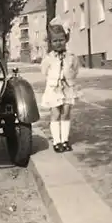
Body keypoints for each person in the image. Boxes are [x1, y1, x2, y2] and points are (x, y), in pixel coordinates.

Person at [40, 19, 80, 153]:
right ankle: (57, 141)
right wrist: (55, 80)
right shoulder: (49, 58)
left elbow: (75, 70)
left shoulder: (72, 57)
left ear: (66, 40)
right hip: (54, 89)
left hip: (68, 88)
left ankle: (65, 140)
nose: (59, 43)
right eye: (55, 41)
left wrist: (68, 80)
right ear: (51, 43)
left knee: (66, 112)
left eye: (61, 40)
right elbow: (44, 71)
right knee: (56, 113)